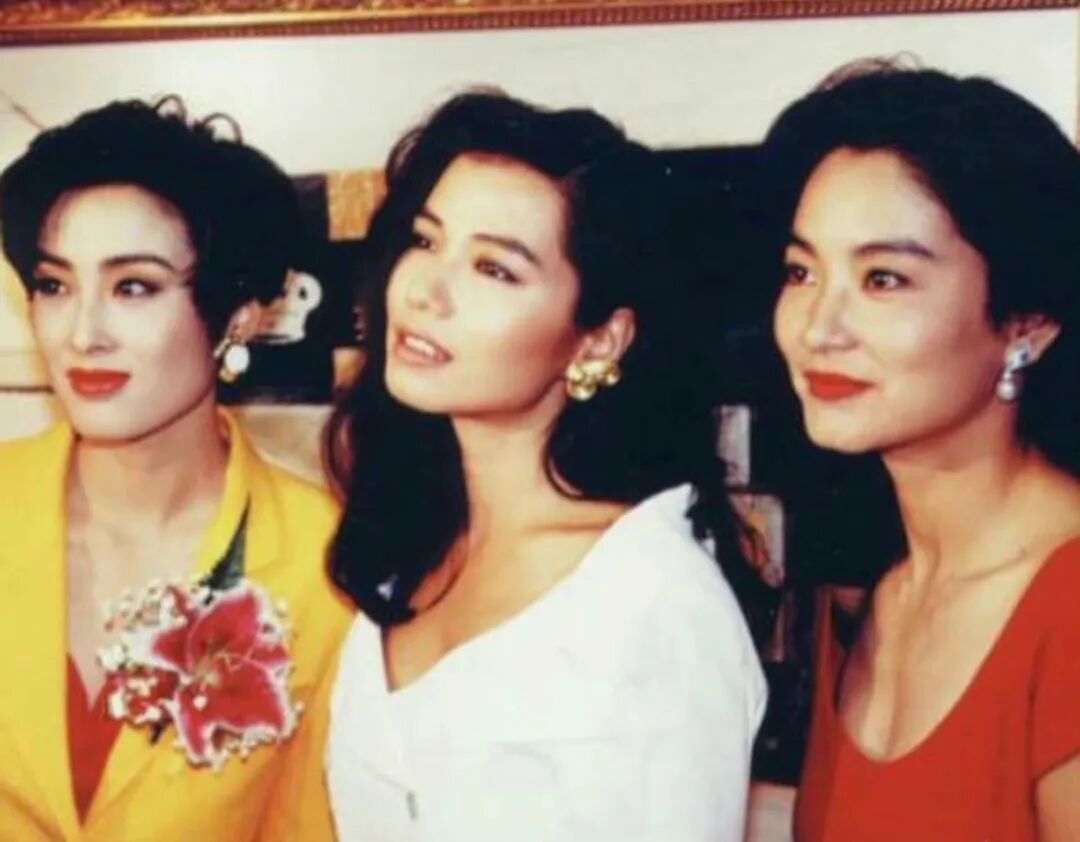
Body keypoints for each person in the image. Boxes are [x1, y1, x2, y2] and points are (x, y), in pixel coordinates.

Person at [319, 91, 769, 842]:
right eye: (426, 241)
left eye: (494, 269)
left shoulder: (653, 602)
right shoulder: (406, 551)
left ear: (599, 339)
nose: (425, 292)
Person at [0, 98, 351, 841]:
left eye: (133, 286)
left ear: (239, 316)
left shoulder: (323, 565)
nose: (83, 334)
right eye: (55, 286)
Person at [765, 60, 1080, 840]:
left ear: (1027, 324)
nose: (819, 328)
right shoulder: (865, 599)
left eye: (884, 279)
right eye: (801, 271)